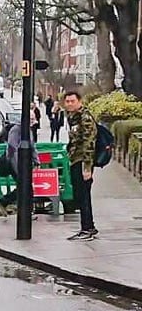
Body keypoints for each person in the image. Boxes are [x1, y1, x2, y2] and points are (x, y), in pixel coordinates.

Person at [64, 91, 98, 241]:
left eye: (72, 101)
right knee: (80, 195)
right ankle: (88, 226)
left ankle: (87, 228)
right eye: (67, 101)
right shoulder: (73, 117)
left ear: (79, 101)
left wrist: (87, 167)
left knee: (83, 195)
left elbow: (89, 143)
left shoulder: (85, 118)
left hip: (82, 161)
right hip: (75, 160)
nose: (70, 104)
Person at [0, 118, 40, 216]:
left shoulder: (29, 130)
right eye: (31, 118)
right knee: (26, 186)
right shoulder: (16, 130)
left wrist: (36, 161)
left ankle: (5, 202)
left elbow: (32, 146)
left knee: (24, 186)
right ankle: (27, 211)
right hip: (16, 163)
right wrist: (17, 166)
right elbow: (12, 149)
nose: (33, 120)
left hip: (24, 163)